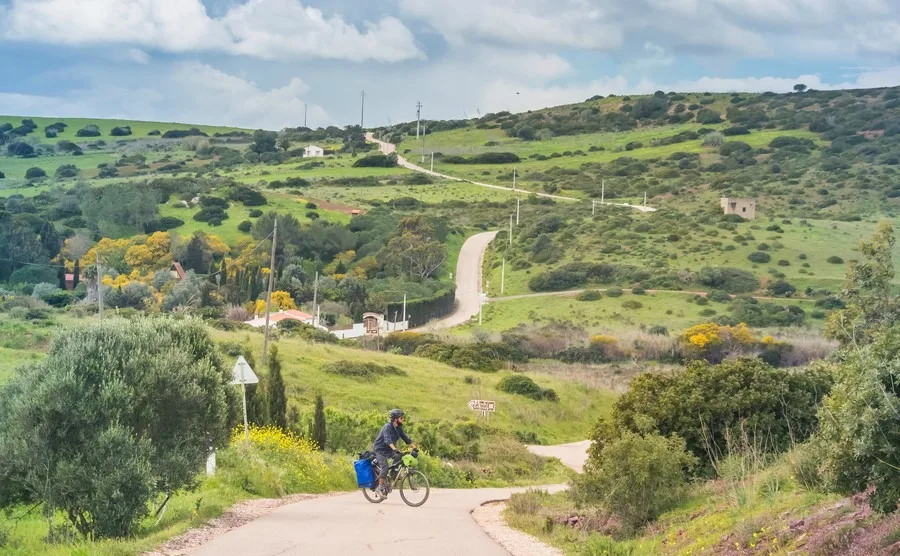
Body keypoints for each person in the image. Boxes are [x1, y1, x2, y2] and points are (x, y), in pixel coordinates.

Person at [373, 408, 415, 495]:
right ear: (395, 419)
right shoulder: (387, 427)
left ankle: (393, 473)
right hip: (380, 450)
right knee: (385, 468)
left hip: (389, 449)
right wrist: (395, 449)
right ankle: (379, 488)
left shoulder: (398, 428)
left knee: (399, 456)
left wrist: (415, 448)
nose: (403, 419)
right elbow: (388, 440)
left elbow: (406, 438)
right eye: (401, 418)